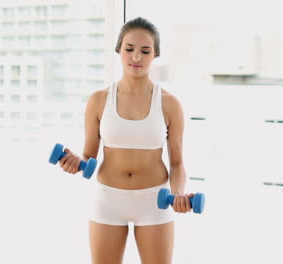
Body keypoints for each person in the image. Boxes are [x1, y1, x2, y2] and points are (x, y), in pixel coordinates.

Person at [59, 17, 193, 264]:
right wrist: (74, 162)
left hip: (154, 200)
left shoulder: (170, 104)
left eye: (145, 51)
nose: (136, 57)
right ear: (119, 50)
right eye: (129, 49)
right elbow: (89, 156)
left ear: (155, 55)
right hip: (108, 199)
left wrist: (179, 193)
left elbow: (177, 163)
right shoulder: (98, 100)